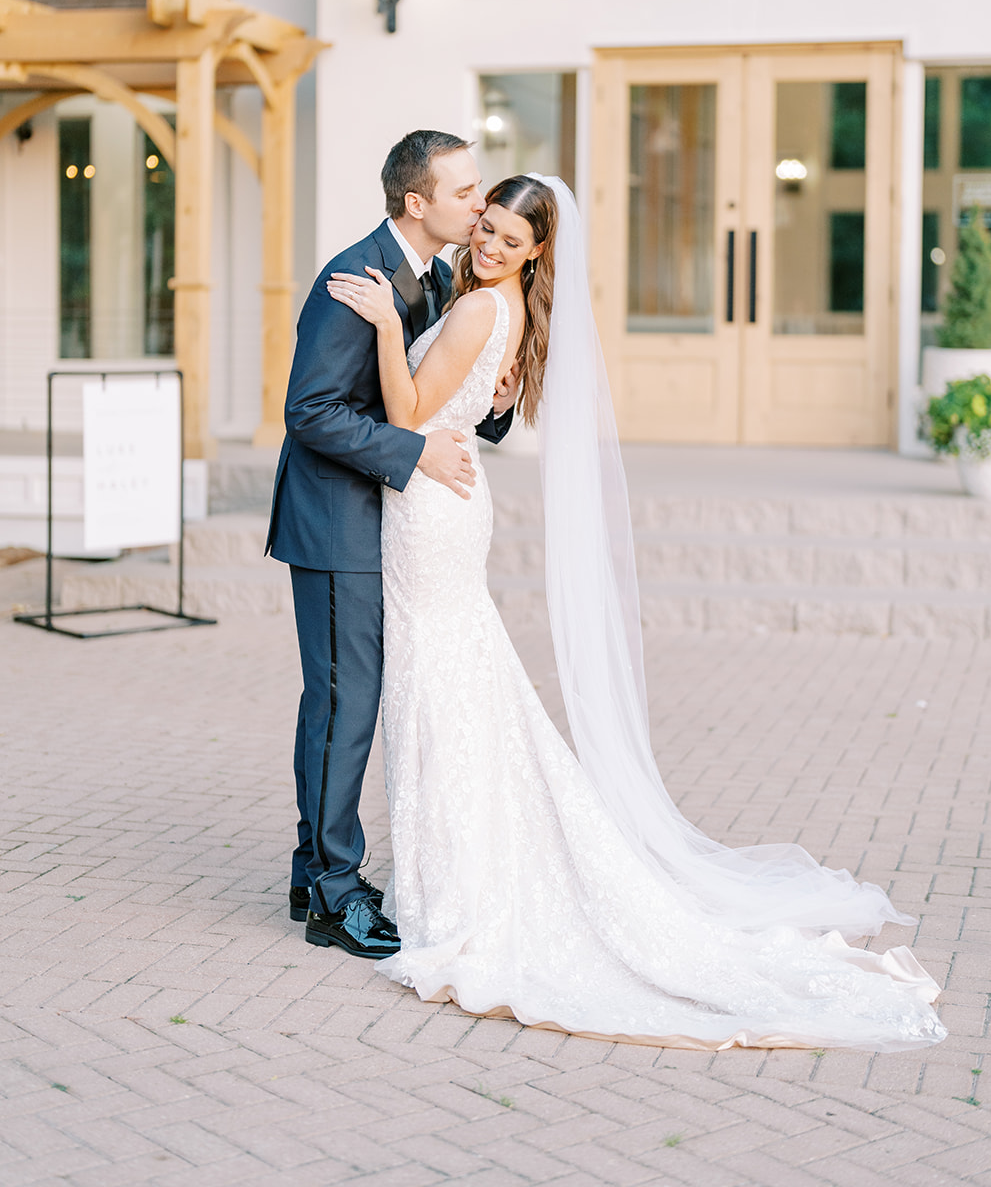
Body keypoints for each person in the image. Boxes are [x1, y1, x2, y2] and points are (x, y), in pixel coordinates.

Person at [325, 173, 947, 1051]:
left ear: (538, 250)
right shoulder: (502, 309)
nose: (490, 245)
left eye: (510, 238)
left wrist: (389, 326)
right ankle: (459, 867)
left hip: (431, 508)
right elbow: (469, 407)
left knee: (440, 683)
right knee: (458, 679)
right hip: (447, 505)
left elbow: (407, 412)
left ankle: (455, 885)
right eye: (487, 229)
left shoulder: (474, 311)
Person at [266, 132, 516, 960]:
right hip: (336, 521)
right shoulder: (355, 280)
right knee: (344, 703)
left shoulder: (439, 276)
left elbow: (428, 392)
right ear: (418, 202)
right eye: (464, 193)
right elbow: (311, 412)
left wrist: (492, 404)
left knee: (343, 703)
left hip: (389, 522)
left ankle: (314, 871)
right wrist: (410, 454)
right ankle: (335, 895)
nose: (479, 206)